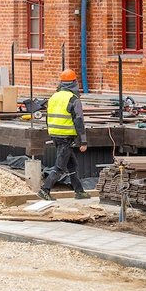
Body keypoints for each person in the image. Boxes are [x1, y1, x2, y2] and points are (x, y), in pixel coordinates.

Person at [38, 69, 89, 201]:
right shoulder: (73, 99)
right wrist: (83, 141)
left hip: (55, 135)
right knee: (60, 167)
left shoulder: (54, 97)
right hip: (66, 137)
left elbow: (47, 118)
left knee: (72, 165)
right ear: (74, 82)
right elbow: (79, 121)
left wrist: (51, 131)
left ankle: (79, 191)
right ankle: (45, 189)